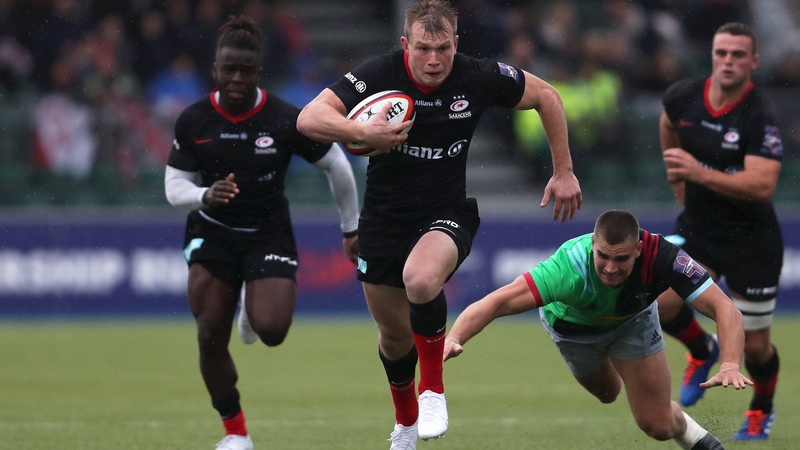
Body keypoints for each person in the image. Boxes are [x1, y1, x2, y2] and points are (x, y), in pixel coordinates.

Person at [296, 1, 582, 448]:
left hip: (446, 213)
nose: (434, 59)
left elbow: (547, 96)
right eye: (424, 48)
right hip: (383, 220)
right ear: (405, 44)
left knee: (421, 278)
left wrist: (563, 170)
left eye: (443, 48)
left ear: (456, 44)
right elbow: (308, 118)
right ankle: (406, 425)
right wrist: (364, 134)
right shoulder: (379, 74)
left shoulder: (477, 75)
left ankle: (433, 391)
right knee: (393, 339)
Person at [164, 15, 360, 450]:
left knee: (271, 330)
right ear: (215, 69)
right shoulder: (194, 119)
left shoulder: (284, 118)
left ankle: (252, 306)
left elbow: (338, 166)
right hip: (212, 231)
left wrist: (351, 228)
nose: (236, 78)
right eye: (228, 68)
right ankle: (236, 434)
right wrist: (203, 195)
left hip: (268, 232)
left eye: (245, 70)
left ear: (258, 72)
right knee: (209, 333)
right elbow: (173, 186)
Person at [444, 209, 752, 450]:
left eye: (621, 259)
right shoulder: (568, 269)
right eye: (603, 255)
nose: (610, 267)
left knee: (657, 425)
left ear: (639, 249)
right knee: (608, 393)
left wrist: (729, 364)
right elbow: (497, 302)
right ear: (593, 244)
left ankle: (703, 443)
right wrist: (454, 337)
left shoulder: (665, 256)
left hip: (634, 322)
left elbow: (725, 309)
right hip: (572, 330)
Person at [656, 22, 783, 441]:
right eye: (721, 53)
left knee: (755, 346)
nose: (728, 61)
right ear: (712, 54)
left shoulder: (760, 117)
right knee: (662, 304)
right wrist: (679, 182)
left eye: (738, 55)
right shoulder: (683, 96)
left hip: (752, 243)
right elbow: (668, 124)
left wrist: (698, 174)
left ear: (754, 62)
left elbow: (762, 185)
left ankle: (761, 409)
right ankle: (702, 350)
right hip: (698, 230)